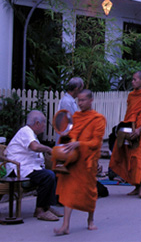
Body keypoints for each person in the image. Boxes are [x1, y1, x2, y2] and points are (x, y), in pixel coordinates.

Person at [54, 90, 106, 235]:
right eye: (79, 100)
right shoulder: (75, 117)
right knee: (68, 191)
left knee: (89, 191)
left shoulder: (98, 119)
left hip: (88, 159)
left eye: (83, 100)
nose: (81, 103)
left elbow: (96, 141)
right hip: (73, 158)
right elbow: (70, 134)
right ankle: (65, 225)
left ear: (91, 100)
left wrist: (79, 144)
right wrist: (67, 137)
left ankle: (90, 220)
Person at [109, 72, 141, 198]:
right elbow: (130, 112)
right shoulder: (132, 95)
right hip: (132, 128)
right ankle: (136, 186)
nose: (132, 82)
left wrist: (140, 129)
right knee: (131, 157)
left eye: (134, 79)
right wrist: (128, 128)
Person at [5, 110, 62, 221]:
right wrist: (48, 149)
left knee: (53, 173)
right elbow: (34, 147)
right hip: (18, 169)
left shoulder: (31, 134)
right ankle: (40, 210)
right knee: (47, 176)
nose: (45, 126)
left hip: (27, 168)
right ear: (37, 123)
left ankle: (46, 207)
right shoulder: (26, 131)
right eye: (44, 123)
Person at [56, 77, 84, 144]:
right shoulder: (66, 102)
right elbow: (71, 120)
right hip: (66, 138)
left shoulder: (69, 100)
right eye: (81, 89)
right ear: (76, 89)